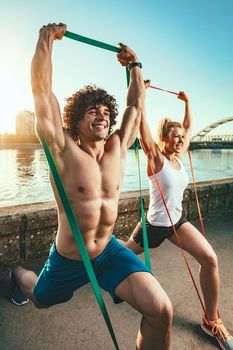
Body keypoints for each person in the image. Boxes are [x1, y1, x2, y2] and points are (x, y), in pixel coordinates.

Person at [9, 23, 173, 350]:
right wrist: (45, 41)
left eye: (104, 111)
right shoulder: (64, 151)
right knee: (40, 299)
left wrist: (135, 66)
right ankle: (17, 274)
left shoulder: (117, 149)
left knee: (161, 311)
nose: (100, 115)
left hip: (109, 252)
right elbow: (41, 92)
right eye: (91, 111)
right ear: (77, 122)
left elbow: (134, 107)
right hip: (69, 258)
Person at [125, 82, 233, 350]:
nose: (181, 138)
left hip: (177, 223)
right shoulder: (157, 158)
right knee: (119, 254)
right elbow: (142, 127)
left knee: (210, 259)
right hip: (154, 226)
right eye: (175, 135)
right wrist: (142, 95)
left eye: (182, 136)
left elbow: (189, 126)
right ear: (164, 139)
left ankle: (211, 321)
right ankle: (86, 260)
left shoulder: (178, 157)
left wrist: (187, 104)